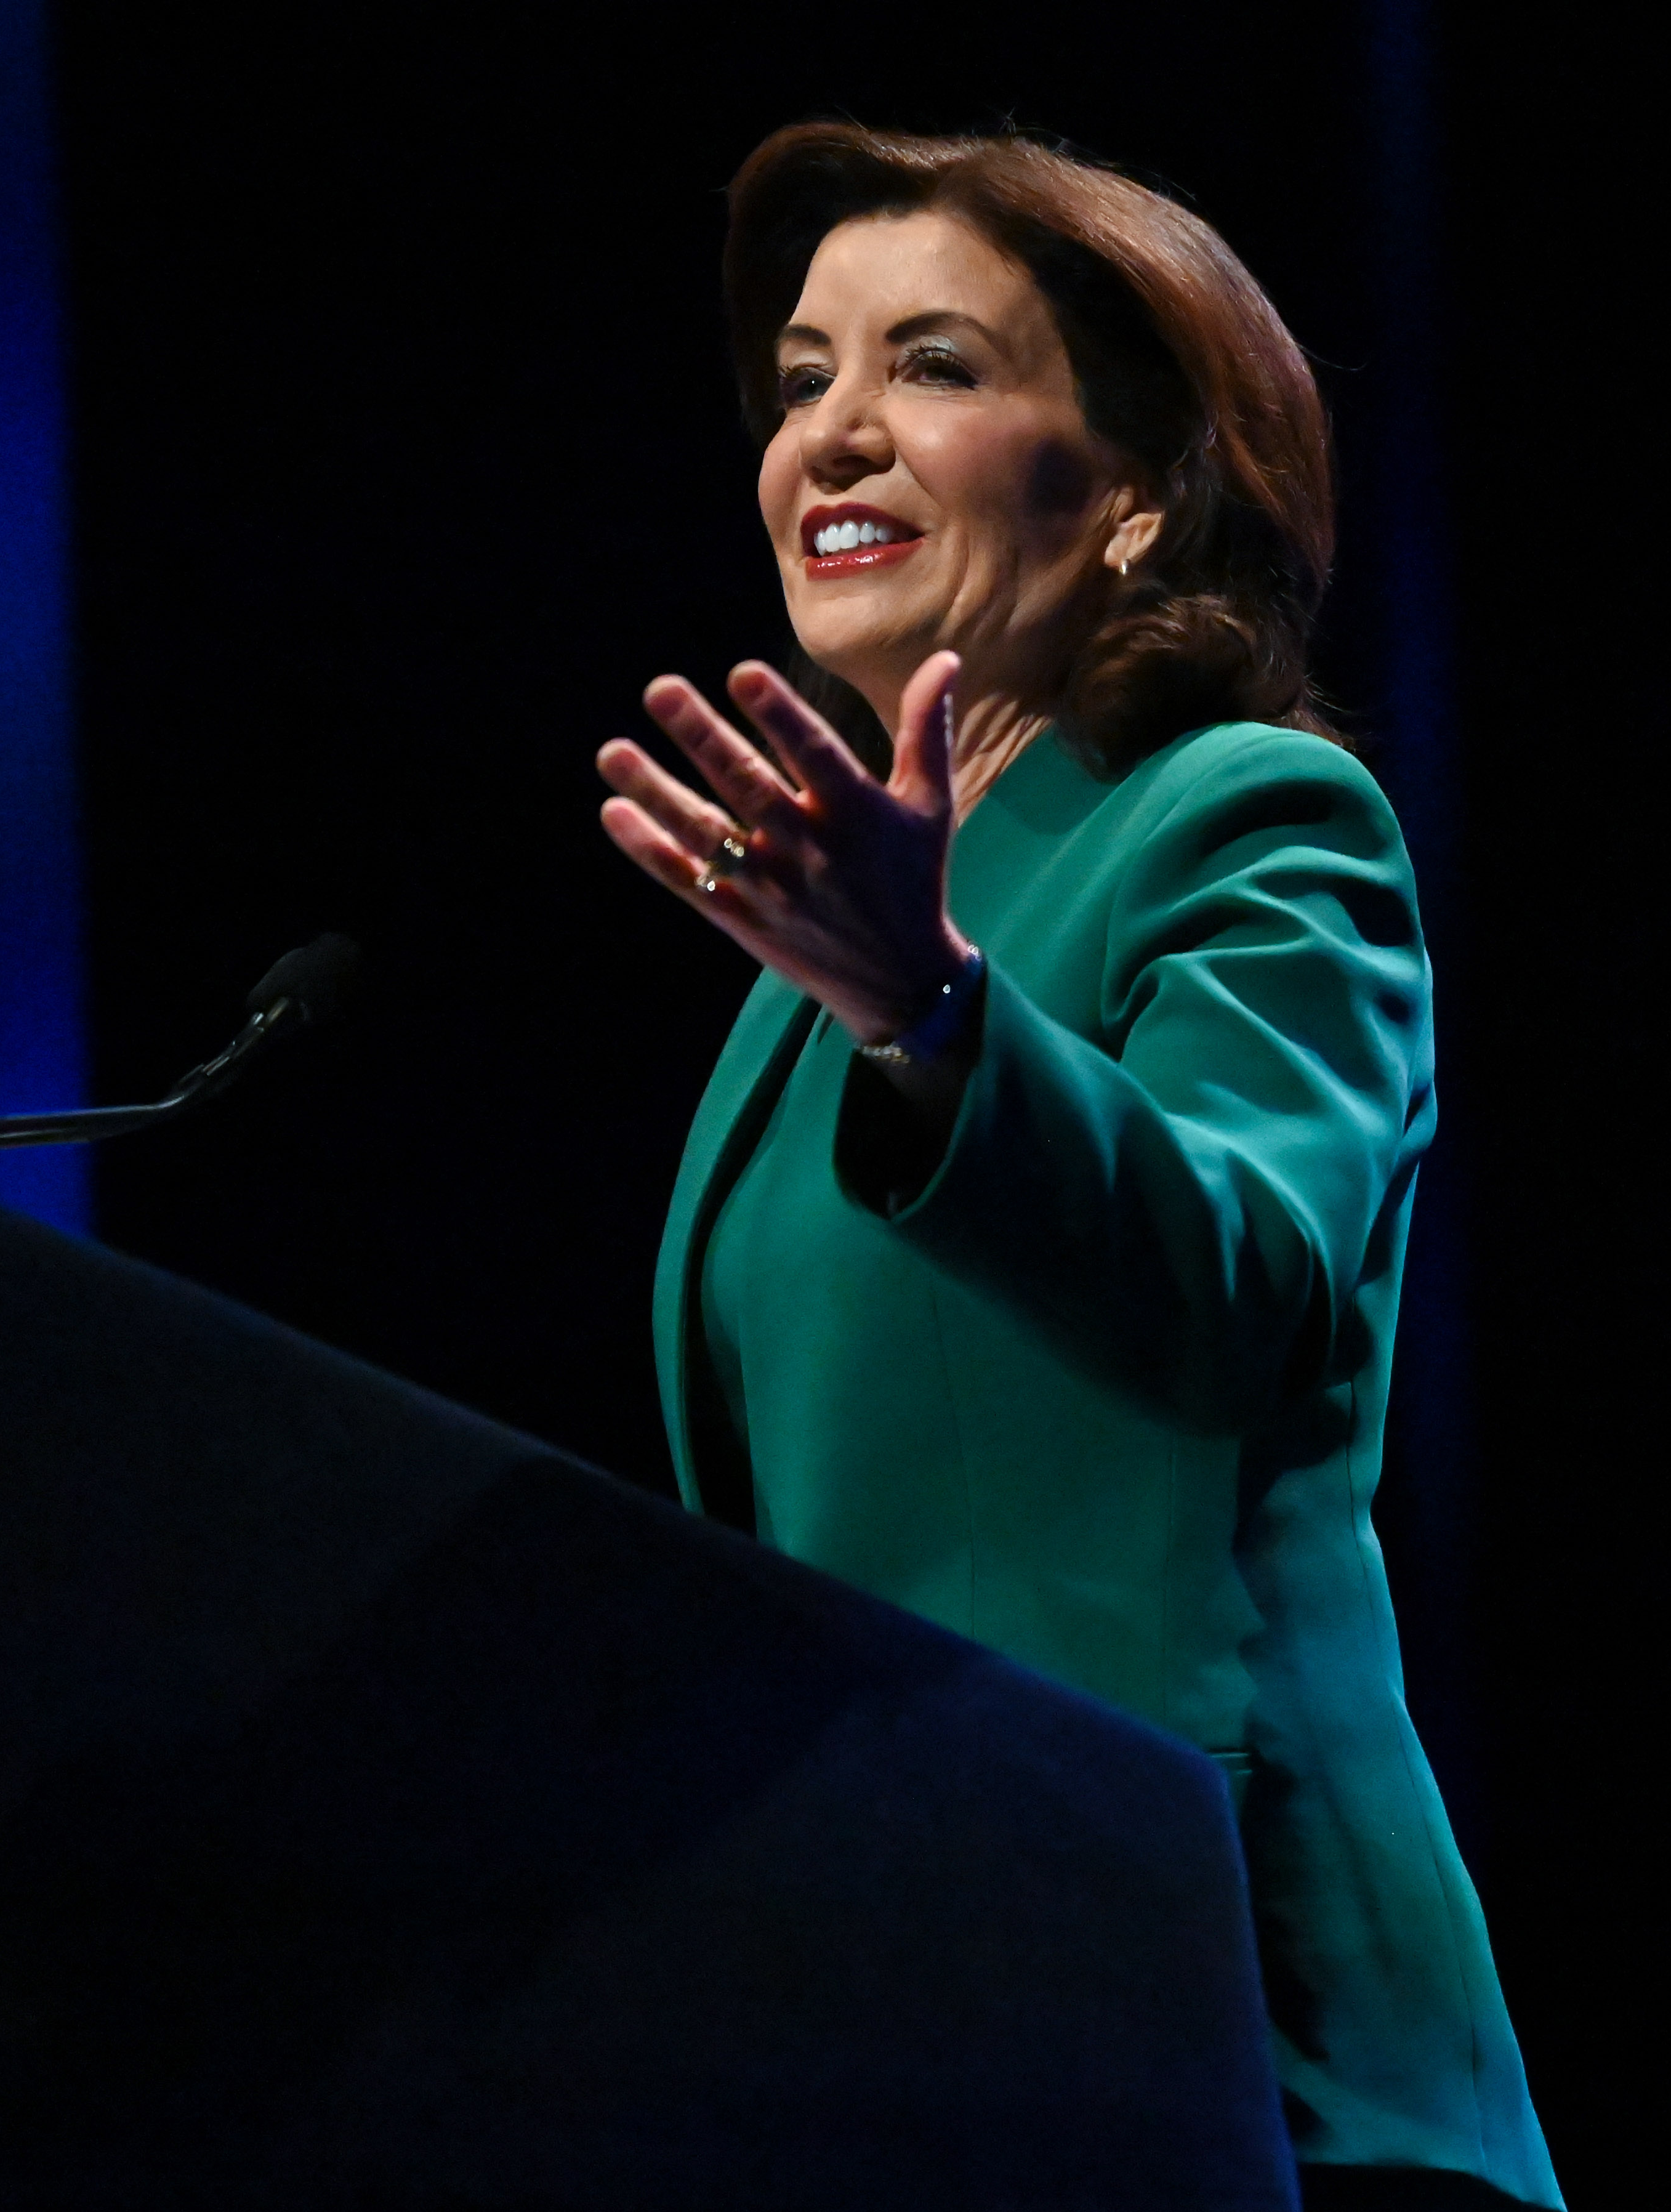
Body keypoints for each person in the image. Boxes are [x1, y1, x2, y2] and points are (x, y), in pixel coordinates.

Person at [595, 121, 1561, 2210]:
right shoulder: (820, 968)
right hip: (910, 2012)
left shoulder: (1241, 819)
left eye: (931, 367)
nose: (834, 436)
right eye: (800, 381)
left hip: (1220, 2016)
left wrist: (933, 1014)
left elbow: (1244, 1278)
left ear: (1131, 499)